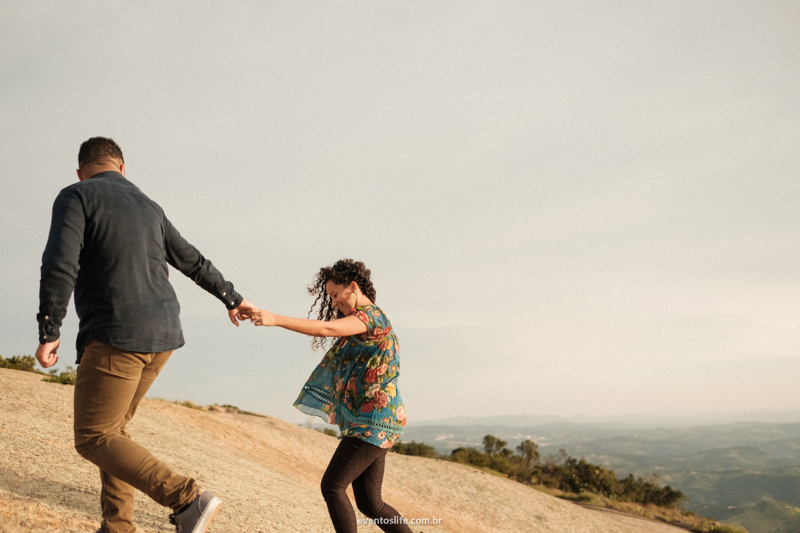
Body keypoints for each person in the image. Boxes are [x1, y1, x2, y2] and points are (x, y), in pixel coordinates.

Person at [35, 137, 253, 533]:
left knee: (94, 437)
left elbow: (59, 264)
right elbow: (191, 259)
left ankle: (187, 498)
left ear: (81, 170)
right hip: (163, 334)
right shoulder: (149, 206)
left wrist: (50, 328)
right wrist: (231, 297)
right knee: (114, 431)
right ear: (122, 167)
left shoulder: (76, 195)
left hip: (118, 333)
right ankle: (117, 526)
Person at [248, 259, 412, 533]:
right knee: (371, 503)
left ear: (353, 287)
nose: (334, 302)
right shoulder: (368, 320)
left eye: (335, 295)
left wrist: (275, 319)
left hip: (373, 421)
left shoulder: (370, 317)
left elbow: (328, 328)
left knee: (333, 486)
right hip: (377, 420)